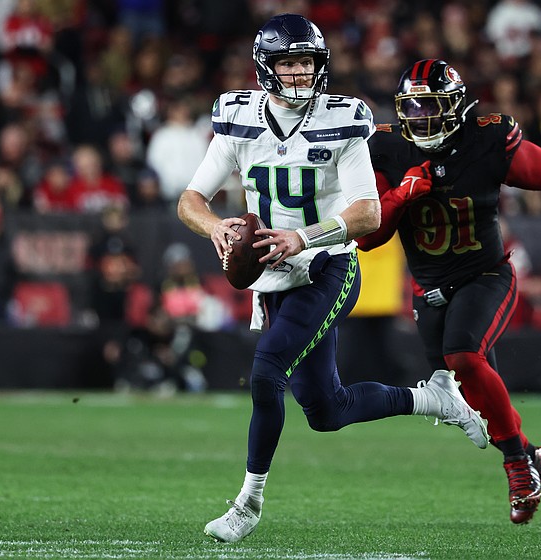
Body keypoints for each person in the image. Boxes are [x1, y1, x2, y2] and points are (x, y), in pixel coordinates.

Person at [176, 14, 488, 544]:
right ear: (266, 68)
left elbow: (367, 213)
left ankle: (247, 503)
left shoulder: (343, 118)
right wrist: (216, 228)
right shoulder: (238, 116)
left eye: (307, 62)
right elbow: (190, 200)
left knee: (266, 371)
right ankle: (436, 399)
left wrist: (304, 238)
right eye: (289, 63)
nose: (300, 73)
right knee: (326, 410)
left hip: (327, 267)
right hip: (273, 279)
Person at [357, 59, 541, 524]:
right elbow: (369, 238)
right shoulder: (387, 148)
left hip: (485, 275)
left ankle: (518, 469)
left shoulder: (485, 140)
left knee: (464, 356)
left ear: (455, 106)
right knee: (473, 394)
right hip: (429, 289)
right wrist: (404, 194)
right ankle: (530, 455)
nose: (420, 117)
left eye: (430, 106)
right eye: (412, 108)